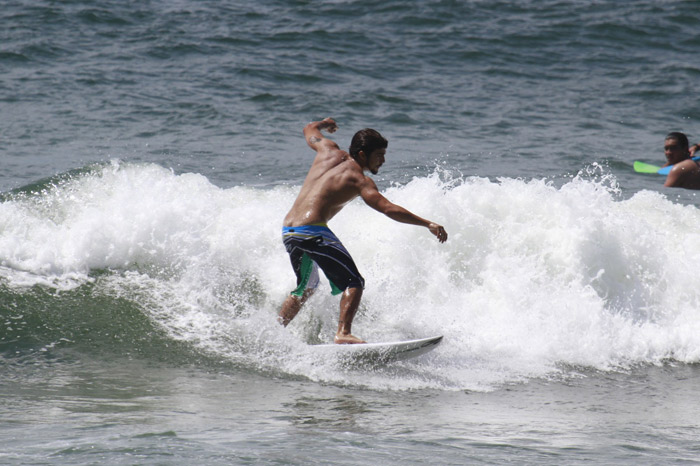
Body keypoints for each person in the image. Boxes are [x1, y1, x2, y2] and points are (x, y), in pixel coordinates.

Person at [278, 118, 448, 344]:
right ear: (361, 154)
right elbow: (389, 209)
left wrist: (323, 123)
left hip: (289, 230)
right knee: (353, 282)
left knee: (306, 286)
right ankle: (343, 333)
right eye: (379, 155)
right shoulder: (360, 180)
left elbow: (309, 130)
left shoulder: (327, 150)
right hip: (312, 231)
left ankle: (274, 331)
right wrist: (427, 223)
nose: (383, 160)